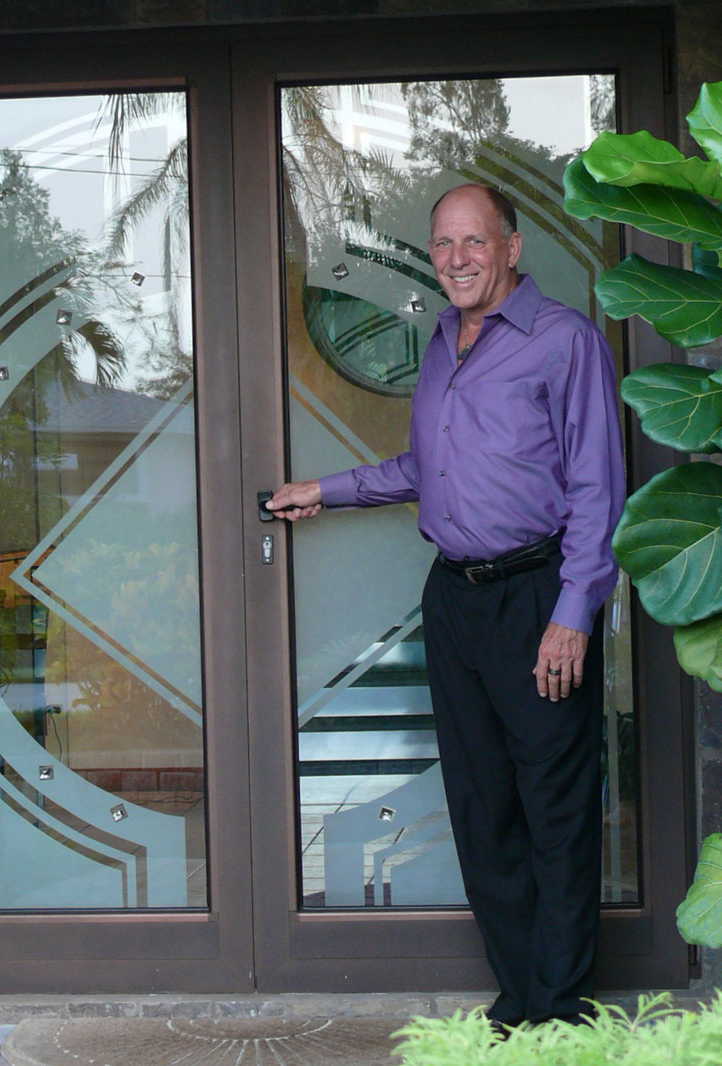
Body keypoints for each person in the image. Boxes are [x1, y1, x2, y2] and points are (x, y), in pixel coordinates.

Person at [267, 183, 625, 1026]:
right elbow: (426, 468)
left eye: (474, 242)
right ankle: (521, 992)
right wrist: (329, 489)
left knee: (555, 804)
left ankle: (562, 1004)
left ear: (512, 247)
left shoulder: (561, 342)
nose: (457, 259)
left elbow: (598, 488)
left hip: (539, 596)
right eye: (442, 245)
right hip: (456, 600)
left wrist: (574, 612)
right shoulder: (441, 342)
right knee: (481, 803)